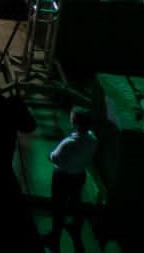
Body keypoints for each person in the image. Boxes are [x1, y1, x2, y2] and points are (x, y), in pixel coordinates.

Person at [45, 107, 99, 250]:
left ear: (75, 123)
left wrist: (49, 155)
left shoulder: (68, 143)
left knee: (58, 205)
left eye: (71, 118)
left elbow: (54, 158)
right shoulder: (93, 138)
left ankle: (54, 238)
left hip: (62, 176)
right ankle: (76, 227)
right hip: (79, 175)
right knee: (76, 200)